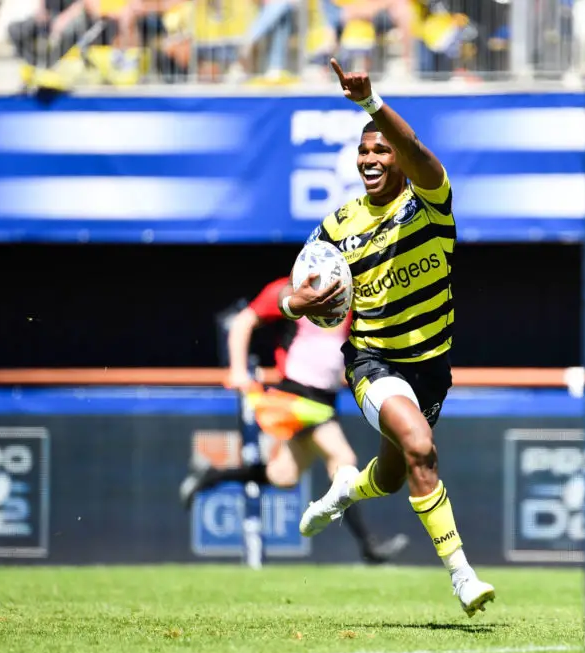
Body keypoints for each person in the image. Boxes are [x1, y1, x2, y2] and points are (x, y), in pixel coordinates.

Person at [283, 58, 495, 616]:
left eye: (381, 150)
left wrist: (371, 104)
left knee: (397, 473)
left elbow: (419, 151)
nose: (371, 159)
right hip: (374, 362)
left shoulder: (431, 205)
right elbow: (297, 290)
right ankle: (462, 575)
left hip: (431, 367)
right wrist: (292, 303)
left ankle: (345, 490)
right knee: (421, 448)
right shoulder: (337, 226)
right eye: (363, 152)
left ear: (399, 156)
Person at [179, 276, 409, 565]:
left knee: (283, 476)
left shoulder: (349, 297)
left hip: (325, 400)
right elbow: (242, 322)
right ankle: (369, 546)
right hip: (297, 395)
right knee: (343, 459)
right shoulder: (287, 291)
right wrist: (237, 370)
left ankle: (211, 476)